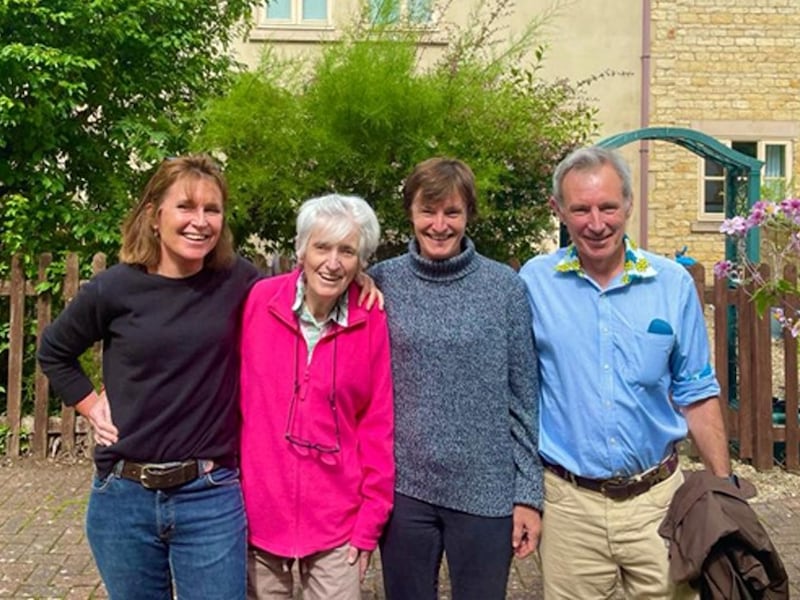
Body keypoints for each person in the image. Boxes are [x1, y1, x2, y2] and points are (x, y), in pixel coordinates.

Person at [36, 155, 382, 600]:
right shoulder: (115, 287)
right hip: (124, 496)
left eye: (212, 209)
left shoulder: (237, 282)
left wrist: (357, 279)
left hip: (209, 495)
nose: (200, 221)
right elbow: (54, 351)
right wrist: (89, 404)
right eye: (186, 206)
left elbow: (305, 284)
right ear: (154, 215)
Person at [518, 146, 733, 599]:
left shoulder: (671, 284)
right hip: (569, 506)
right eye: (581, 209)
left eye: (608, 207)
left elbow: (696, 391)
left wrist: (725, 491)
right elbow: (515, 390)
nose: (596, 223)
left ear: (629, 204)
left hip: (658, 502)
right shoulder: (533, 284)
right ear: (558, 210)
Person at [369, 157, 543, 600]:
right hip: (405, 489)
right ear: (410, 213)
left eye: (452, 212)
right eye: (428, 211)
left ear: (469, 215)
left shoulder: (504, 288)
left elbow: (524, 397)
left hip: (485, 490)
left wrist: (528, 494)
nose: (440, 225)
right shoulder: (381, 282)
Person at [239, 193, 394, 600]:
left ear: (361, 262)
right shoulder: (258, 302)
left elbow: (377, 425)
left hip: (337, 524)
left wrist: (369, 523)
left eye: (347, 251)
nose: (333, 262)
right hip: (258, 516)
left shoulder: (370, 318)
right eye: (322, 247)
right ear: (301, 250)